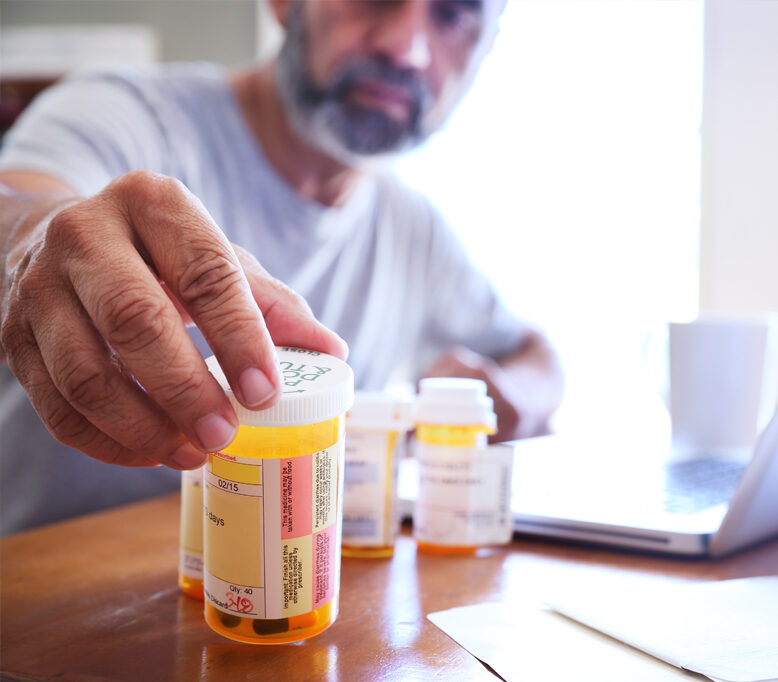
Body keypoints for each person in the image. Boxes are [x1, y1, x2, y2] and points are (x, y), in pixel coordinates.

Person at [0, 0, 564, 534]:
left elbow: (537, 356)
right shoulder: (122, 113)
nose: (405, 48)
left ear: (486, 49)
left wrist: (508, 397)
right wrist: (34, 240)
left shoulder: (415, 229)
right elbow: (18, 208)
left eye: (456, 14)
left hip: (279, 604)